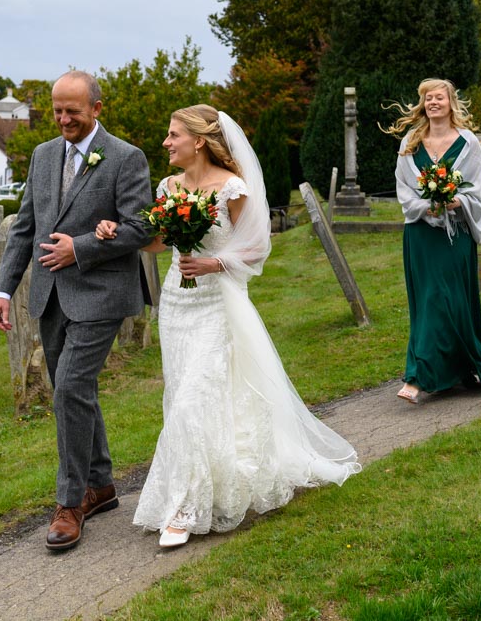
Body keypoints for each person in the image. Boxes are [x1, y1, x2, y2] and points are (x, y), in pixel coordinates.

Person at [96, 105, 360, 549]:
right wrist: (115, 231)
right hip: (177, 305)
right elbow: (161, 241)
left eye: (173, 134)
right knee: (185, 396)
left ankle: (185, 507)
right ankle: (213, 480)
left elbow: (257, 248)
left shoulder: (231, 187)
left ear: (198, 140)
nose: (165, 142)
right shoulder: (170, 187)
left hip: (219, 304)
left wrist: (215, 262)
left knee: (192, 401)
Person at [0, 70, 154, 551]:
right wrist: (3, 290)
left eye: (73, 112)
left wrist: (80, 247)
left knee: (71, 388)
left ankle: (69, 503)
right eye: (58, 111)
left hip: (102, 292)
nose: (64, 119)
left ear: (97, 109)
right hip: (49, 295)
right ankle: (101, 485)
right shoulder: (41, 156)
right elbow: (25, 228)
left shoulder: (126, 157)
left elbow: (141, 226)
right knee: (73, 391)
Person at [384, 78, 481, 404]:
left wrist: (457, 202)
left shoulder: (468, 143)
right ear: (423, 104)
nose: (433, 103)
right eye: (428, 98)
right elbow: (403, 187)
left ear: (451, 102)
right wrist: (427, 206)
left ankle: (447, 369)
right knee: (428, 300)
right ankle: (418, 375)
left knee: (451, 300)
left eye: (439, 98)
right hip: (422, 234)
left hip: (456, 235)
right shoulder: (411, 142)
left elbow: (479, 189)